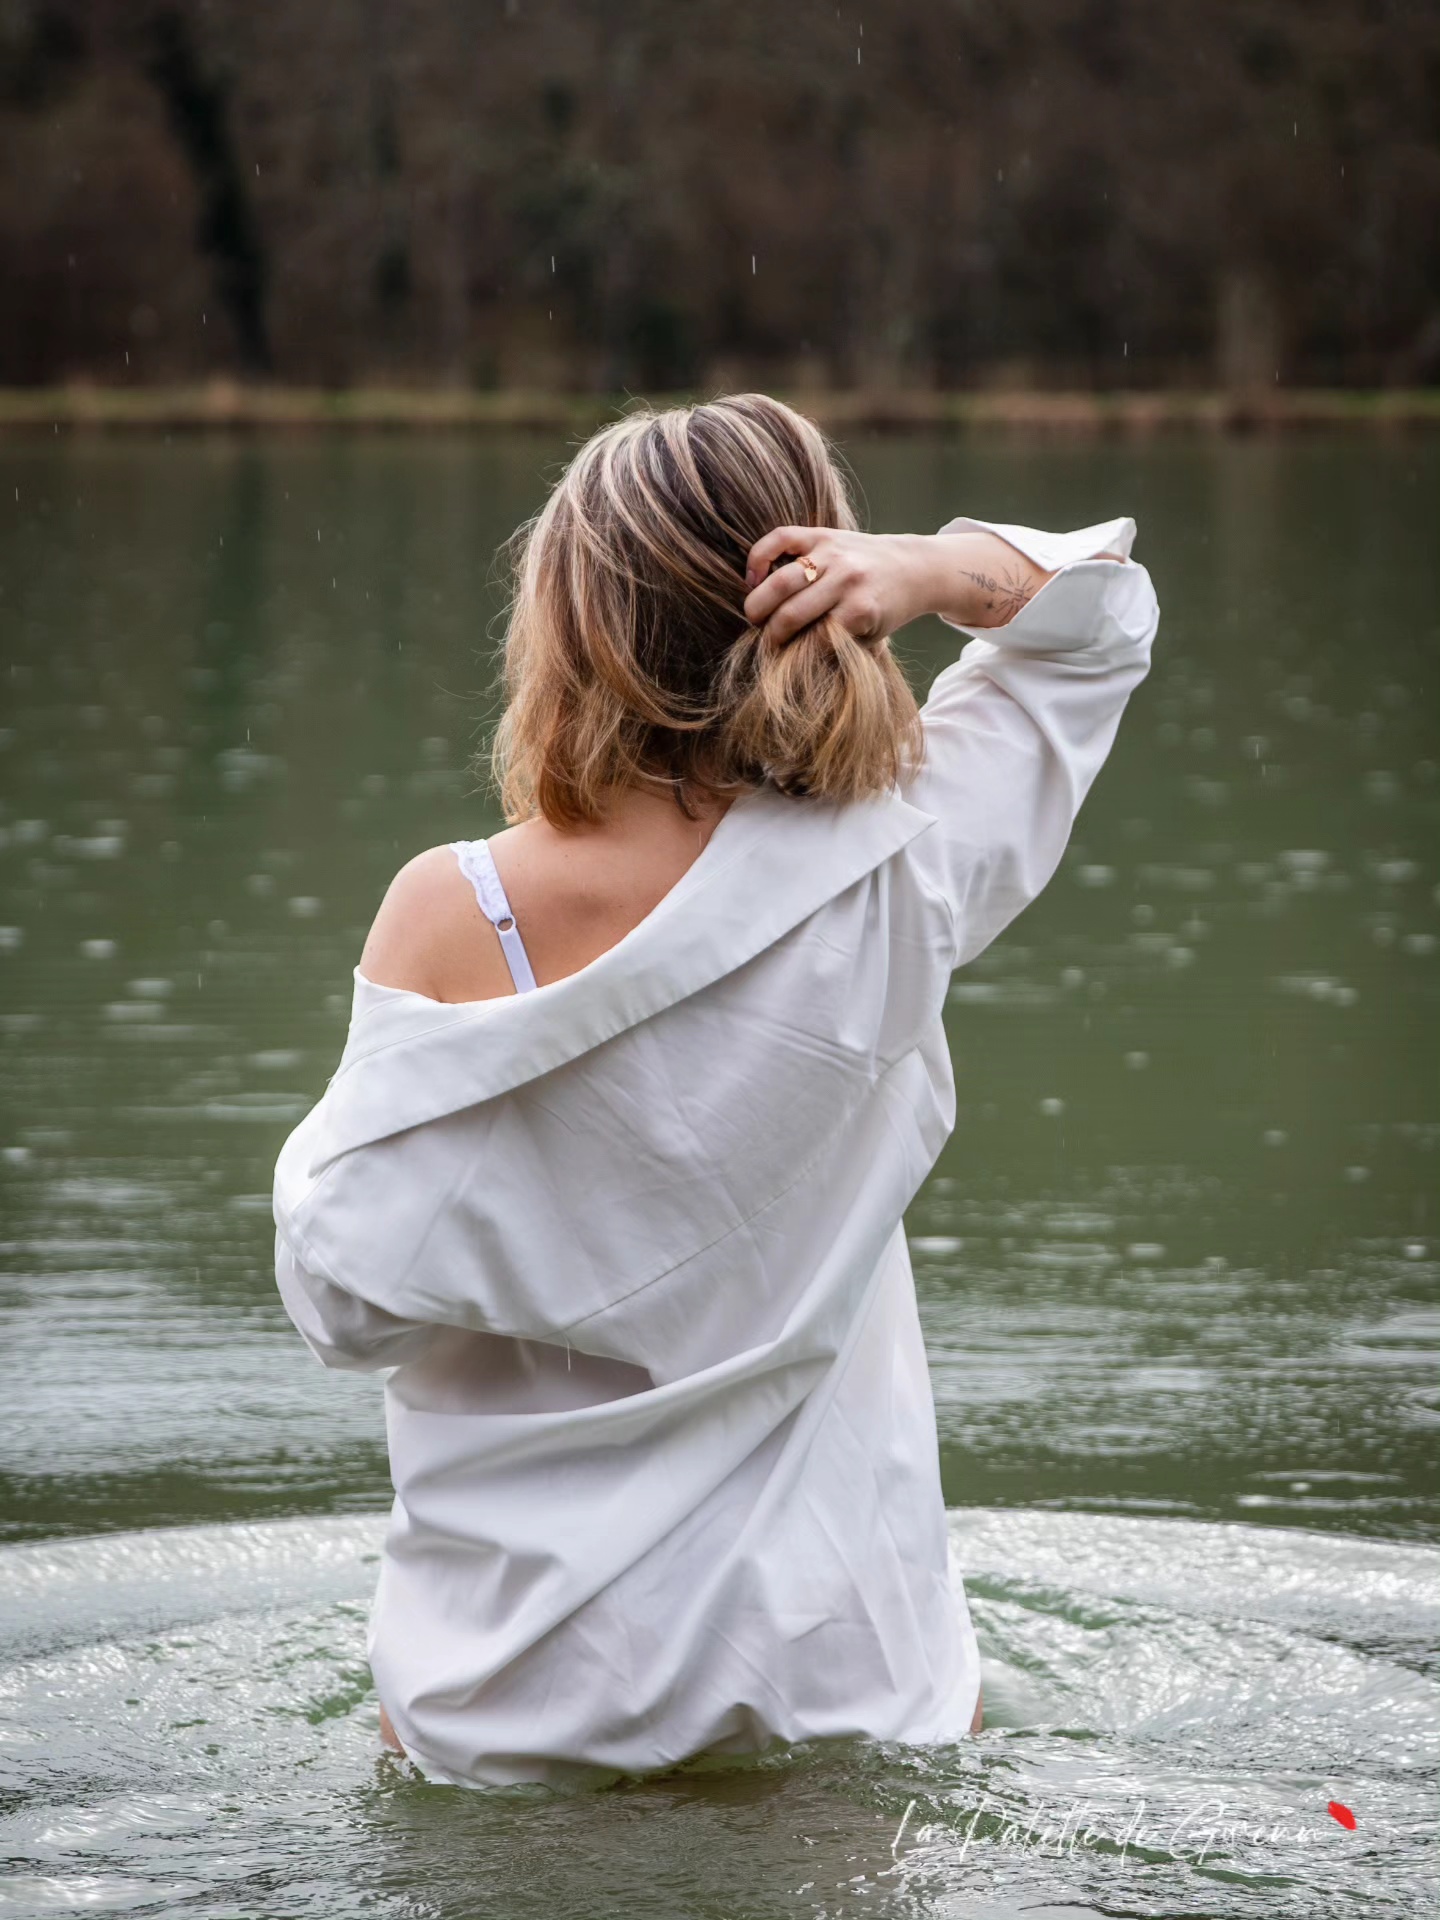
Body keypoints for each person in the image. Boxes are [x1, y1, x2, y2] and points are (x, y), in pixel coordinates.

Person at [272, 393, 1159, 1788]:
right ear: (831, 588)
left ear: (574, 621)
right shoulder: (907, 862)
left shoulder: (461, 910)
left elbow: (345, 1303)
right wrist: (928, 568)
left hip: (524, 1698)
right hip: (852, 1675)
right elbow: (1098, 614)